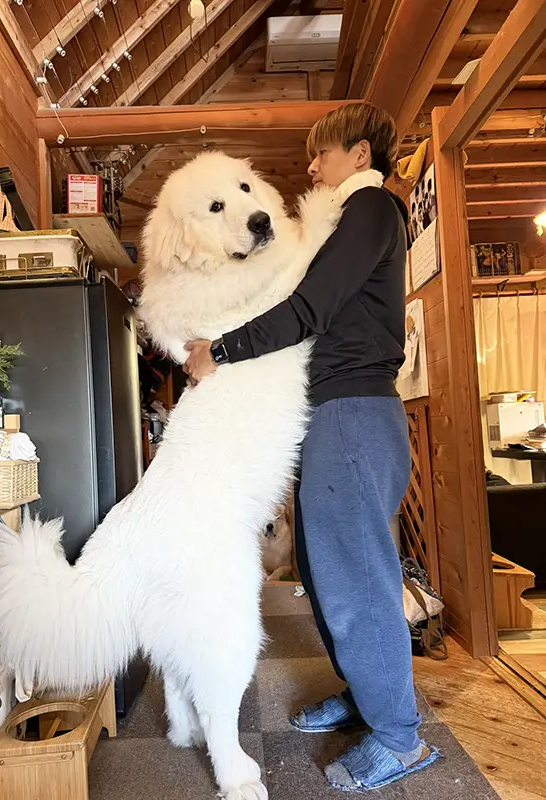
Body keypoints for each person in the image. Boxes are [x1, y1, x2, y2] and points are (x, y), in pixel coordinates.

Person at [184, 102, 440, 792]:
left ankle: (401, 738)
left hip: (354, 414)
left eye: (321, 154)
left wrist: (223, 352)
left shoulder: (371, 210)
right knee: (329, 576)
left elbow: (311, 311)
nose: (311, 167)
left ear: (360, 153)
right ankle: (368, 695)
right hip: (340, 414)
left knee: (358, 582)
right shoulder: (351, 220)